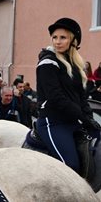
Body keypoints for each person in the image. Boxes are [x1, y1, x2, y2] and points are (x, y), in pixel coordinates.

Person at [35, 17, 101, 174]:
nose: (57, 41)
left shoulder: (76, 66)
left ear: (73, 40)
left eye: (62, 37)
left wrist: (89, 118)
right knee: (70, 167)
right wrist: (83, 118)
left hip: (73, 121)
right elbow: (56, 98)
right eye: (55, 37)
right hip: (53, 123)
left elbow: (81, 98)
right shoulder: (47, 64)